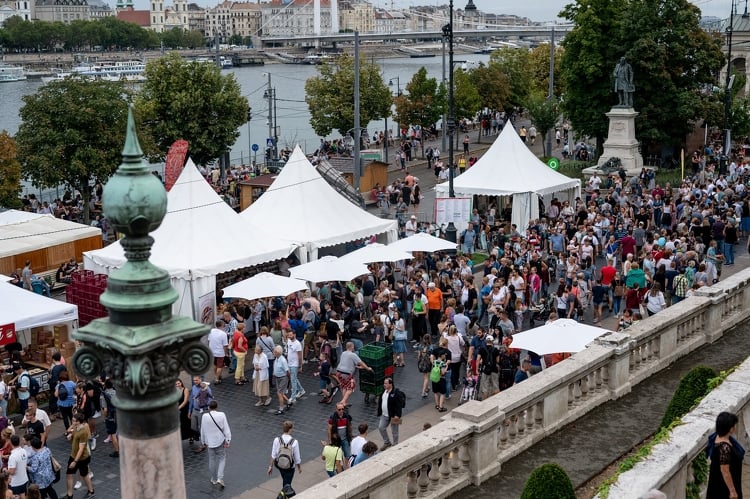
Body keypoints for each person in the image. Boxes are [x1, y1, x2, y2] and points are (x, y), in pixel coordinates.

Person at [706, 411, 743, 499]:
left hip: (717, 483)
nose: (735, 427)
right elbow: (725, 471)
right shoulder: (724, 448)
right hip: (723, 488)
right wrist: (733, 491)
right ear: (730, 428)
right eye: (734, 425)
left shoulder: (717, 437)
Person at [200, 400, 231, 490]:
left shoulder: (205, 416)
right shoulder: (222, 415)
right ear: (217, 407)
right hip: (220, 441)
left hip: (210, 442)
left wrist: (203, 441)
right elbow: (226, 428)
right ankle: (220, 477)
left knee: (212, 460)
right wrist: (228, 440)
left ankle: (213, 479)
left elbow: (203, 430)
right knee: (222, 458)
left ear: (209, 407)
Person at [64, 412, 95, 499]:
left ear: (79, 422)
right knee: (69, 474)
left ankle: (91, 491)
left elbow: (81, 449)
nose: (72, 422)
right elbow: (73, 439)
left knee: (84, 474)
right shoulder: (75, 427)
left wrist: (75, 461)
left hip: (82, 458)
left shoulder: (83, 432)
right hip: (74, 454)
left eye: (74, 421)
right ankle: (70, 495)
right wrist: (70, 437)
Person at [268, 421, 302, 495]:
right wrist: (299, 467)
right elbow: (297, 458)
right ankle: (283, 495)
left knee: (285, 480)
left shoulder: (277, 440)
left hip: (280, 465)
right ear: (290, 429)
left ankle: (284, 493)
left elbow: (273, 455)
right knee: (287, 485)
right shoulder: (294, 442)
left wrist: (270, 466)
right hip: (290, 467)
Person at [335, 341, 374, 407]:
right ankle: (342, 402)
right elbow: (361, 363)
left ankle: (344, 402)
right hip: (346, 374)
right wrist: (368, 368)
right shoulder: (353, 355)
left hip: (339, 373)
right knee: (351, 388)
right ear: (352, 347)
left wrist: (356, 366)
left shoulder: (343, 353)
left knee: (344, 386)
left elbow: (346, 363)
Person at [376, 377, 402, 451]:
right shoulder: (384, 391)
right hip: (384, 415)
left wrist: (397, 415)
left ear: (391, 384)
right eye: (384, 383)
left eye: (386, 383)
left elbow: (398, 405)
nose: (384, 385)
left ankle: (395, 444)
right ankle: (387, 442)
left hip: (394, 416)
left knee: (395, 431)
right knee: (381, 428)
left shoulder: (396, 392)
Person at [188, 376, 213, 451]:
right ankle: (202, 438)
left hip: (202, 410)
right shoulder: (194, 387)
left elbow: (210, 398)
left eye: (196, 380)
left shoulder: (206, 388)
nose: (195, 381)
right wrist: (190, 411)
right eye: (194, 380)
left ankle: (203, 444)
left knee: (202, 428)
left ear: (200, 380)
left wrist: (204, 403)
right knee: (193, 427)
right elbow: (192, 399)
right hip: (194, 410)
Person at [101, 379, 120, 458]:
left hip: (110, 416)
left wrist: (105, 417)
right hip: (119, 415)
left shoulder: (105, 395)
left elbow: (105, 409)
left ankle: (117, 451)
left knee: (113, 434)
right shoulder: (117, 393)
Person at [272, 345, 291, 415]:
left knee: (279, 393)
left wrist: (289, 378)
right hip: (277, 378)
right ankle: (288, 402)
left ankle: (281, 409)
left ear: (278, 352)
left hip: (283, 378)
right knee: (281, 392)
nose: (273, 352)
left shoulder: (283, 360)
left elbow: (287, 371)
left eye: (275, 351)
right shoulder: (276, 359)